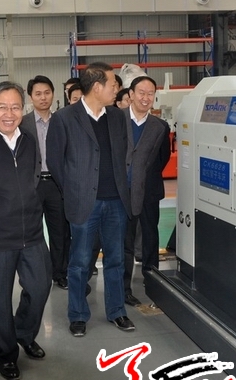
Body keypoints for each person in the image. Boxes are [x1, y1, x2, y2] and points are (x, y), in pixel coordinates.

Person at [0, 81, 52, 380]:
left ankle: (24, 333)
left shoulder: (28, 139)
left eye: (15, 107)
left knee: (40, 286)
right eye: (2, 107)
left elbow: (32, 177)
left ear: (23, 109)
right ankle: (6, 354)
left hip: (31, 230)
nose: (9, 113)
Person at [47, 62, 134, 338]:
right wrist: (74, 190)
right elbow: (55, 162)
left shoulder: (117, 117)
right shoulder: (64, 118)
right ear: (97, 87)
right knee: (80, 262)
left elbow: (124, 153)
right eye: (112, 84)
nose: (116, 89)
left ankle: (117, 311)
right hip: (84, 202)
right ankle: (77, 315)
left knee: (115, 260)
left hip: (116, 201)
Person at [122, 76, 171, 306]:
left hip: (149, 192)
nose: (145, 97)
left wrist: (143, 176)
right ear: (131, 94)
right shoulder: (116, 119)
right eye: (141, 92)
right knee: (124, 241)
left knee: (150, 237)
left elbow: (162, 158)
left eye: (150, 93)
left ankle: (152, 281)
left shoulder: (160, 127)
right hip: (122, 193)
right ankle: (123, 288)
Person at [22, 75, 70, 291]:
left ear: (53, 94)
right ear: (30, 97)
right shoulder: (22, 123)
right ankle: (37, 274)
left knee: (60, 231)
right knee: (32, 232)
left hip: (57, 184)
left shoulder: (62, 121)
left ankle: (59, 273)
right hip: (32, 185)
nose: (43, 98)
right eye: (38, 94)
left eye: (47, 93)